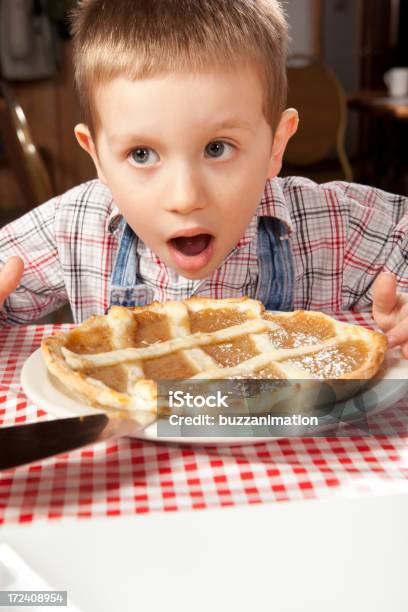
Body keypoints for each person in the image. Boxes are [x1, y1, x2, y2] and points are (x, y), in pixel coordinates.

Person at [0, 0, 407, 358]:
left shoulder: (330, 224)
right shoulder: (75, 224)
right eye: (141, 154)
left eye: (217, 148)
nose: (184, 197)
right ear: (98, 159)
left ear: (275, 146)